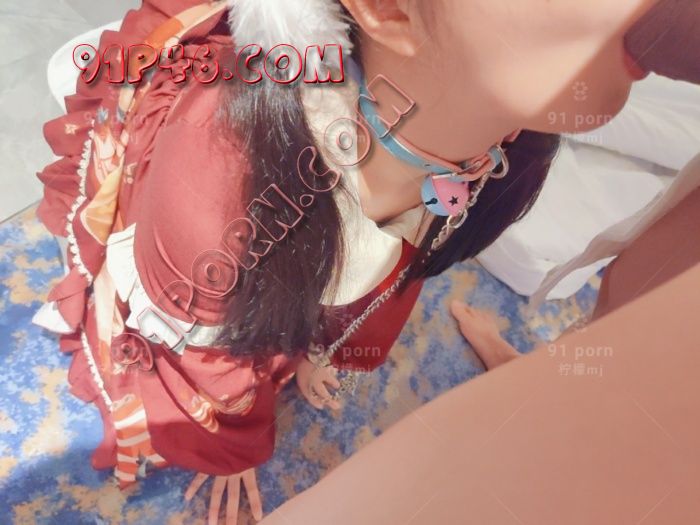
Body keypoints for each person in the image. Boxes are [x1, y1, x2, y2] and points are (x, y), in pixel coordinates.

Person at [33, 0, 658, 523]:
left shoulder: (492, 141)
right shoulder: (216, 196)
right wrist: (233, 442)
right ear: (386, 9)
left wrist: (326, 349)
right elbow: (201, 365)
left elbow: (400, 272)